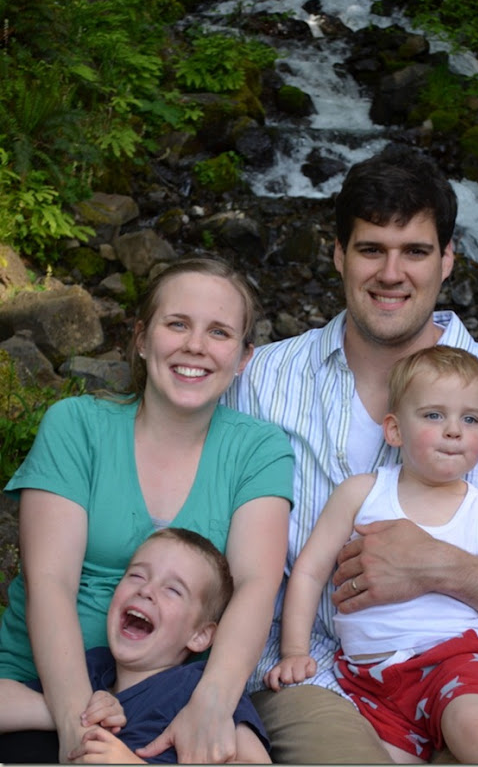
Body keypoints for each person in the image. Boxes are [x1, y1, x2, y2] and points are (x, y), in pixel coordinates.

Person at [223, 144, 478, 764]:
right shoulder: (262, 382)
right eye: (371, 249)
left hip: (465, 679)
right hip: (309, 676)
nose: (392, 273)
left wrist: (441, 566)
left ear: (447, 259)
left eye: (414, 251)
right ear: (338, 254)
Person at [0, 256, 294, 764]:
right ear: (141, 338)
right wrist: (77, 724)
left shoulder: (259, 450)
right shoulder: (77, 426)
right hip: (40, 690)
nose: (195, 345)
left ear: (245, 357)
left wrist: (210, 705)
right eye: (177, 324)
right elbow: (50, 580)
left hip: (173, 700)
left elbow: (255, 585)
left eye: (219, 332)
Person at [264, 346, 478, 764]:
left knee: (475, 730)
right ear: (394, 430)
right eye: (434, 415)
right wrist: (294, 651)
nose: (454, 430)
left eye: (470, 419)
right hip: (370, 679)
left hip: (459, 663)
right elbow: (310, 572)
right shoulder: (362, 494)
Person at [0, 527, 272, 764]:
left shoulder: (196, 689)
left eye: (173, 590)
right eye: (137, 576)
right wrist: (78, 714)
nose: (146, 590)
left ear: (200, 635)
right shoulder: (92, 671)